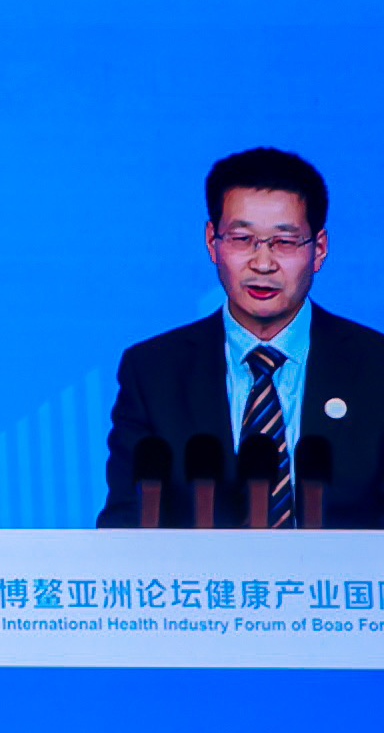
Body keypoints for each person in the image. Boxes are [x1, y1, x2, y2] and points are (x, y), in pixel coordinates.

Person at [99, 145, 383, 527]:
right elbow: (124, 524)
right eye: (241, 238)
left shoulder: (375, 367)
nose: (262, 263)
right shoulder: (152, 372)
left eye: (285, 242)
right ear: (212, 241)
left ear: (319, 249)